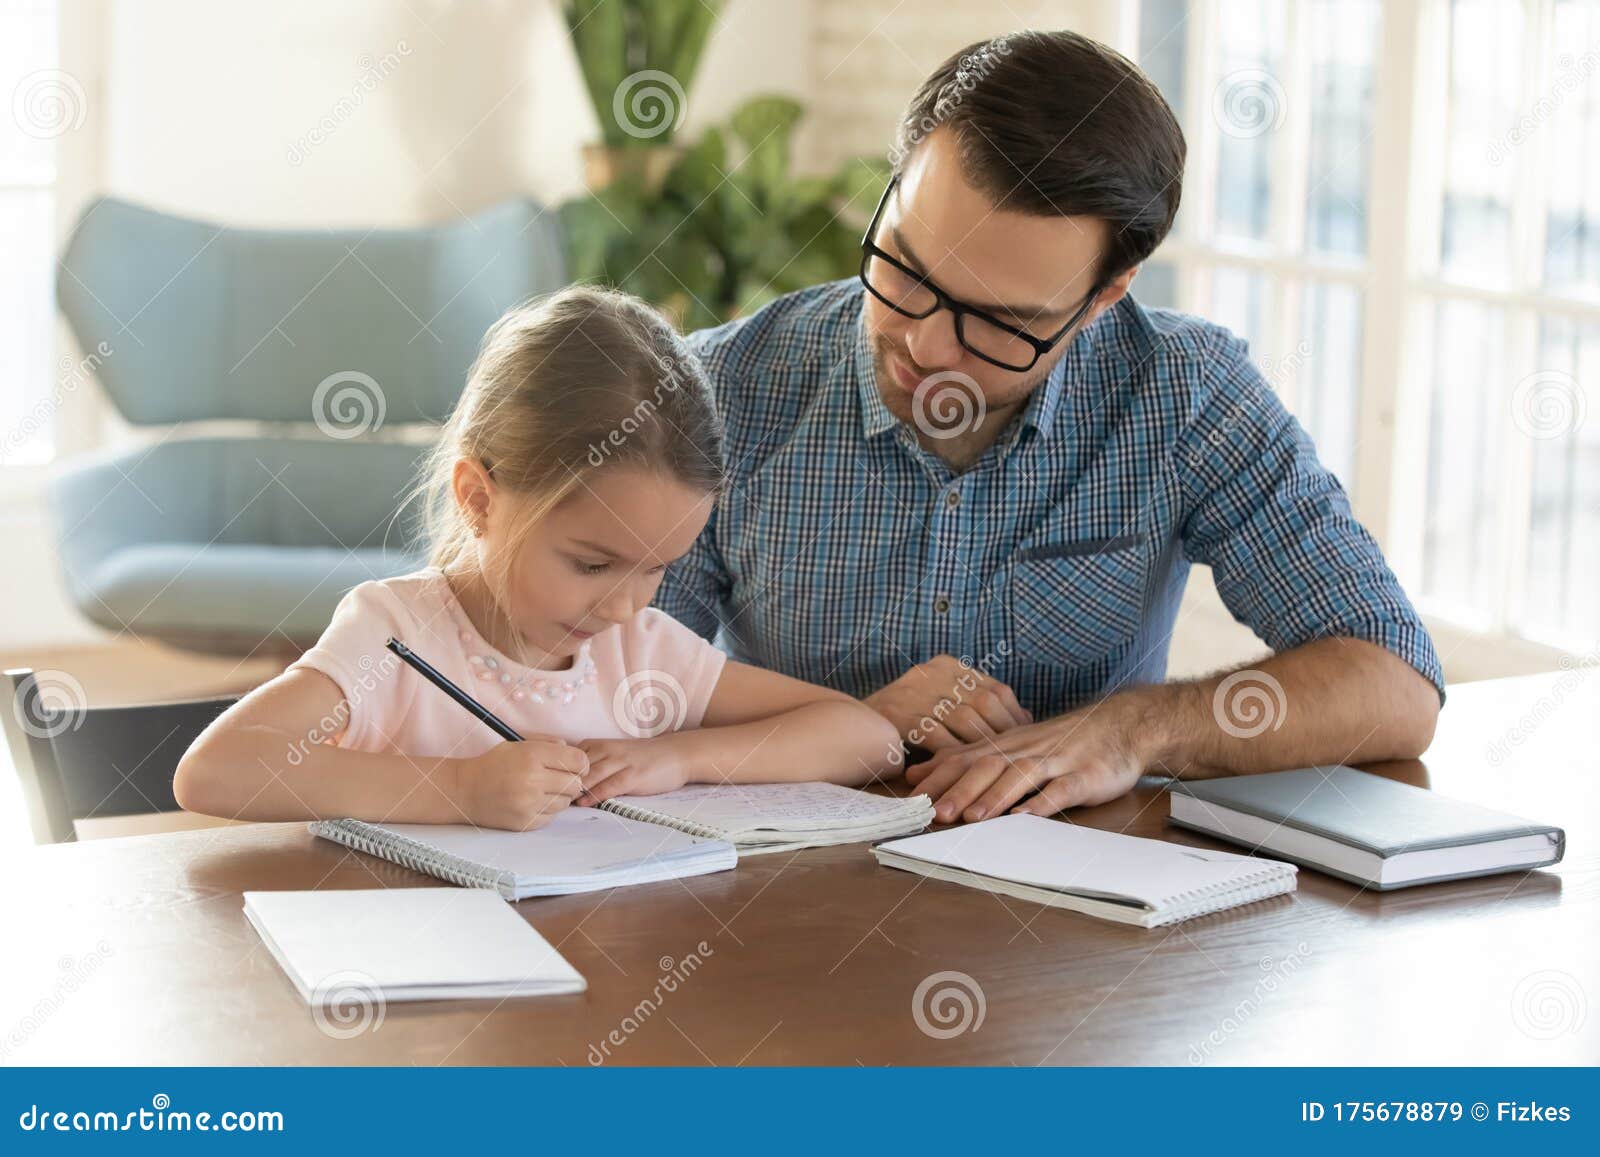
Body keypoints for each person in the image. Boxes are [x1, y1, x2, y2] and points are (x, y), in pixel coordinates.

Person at [655, 30, 1444, 824]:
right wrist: (849, 725)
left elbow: (1393, 683)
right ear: (893, 192)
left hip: (1084, 902)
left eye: (998, 323)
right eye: (906, 268)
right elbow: (590, 696)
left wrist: (1133, 728)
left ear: (1105, 295)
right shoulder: (721, 390)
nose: (924, 347)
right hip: (783, 898)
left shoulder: (1186, 396)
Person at [174, 286, 900, 831]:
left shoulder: (640, 656)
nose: (625, 605)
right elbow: (218, 769)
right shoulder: (394, 635)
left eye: (658, 569)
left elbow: (868, 739)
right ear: (479, 498)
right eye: (592, 563)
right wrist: (459, 790)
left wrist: (678, 759)